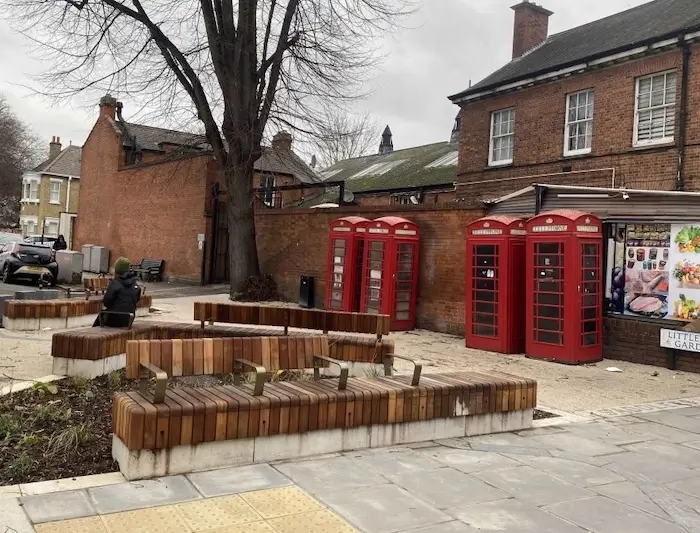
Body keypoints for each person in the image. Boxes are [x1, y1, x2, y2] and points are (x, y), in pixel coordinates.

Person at [93, 257, 142, 328]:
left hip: (114, 319)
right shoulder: (134, 284)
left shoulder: (115, 283)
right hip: (129, 319)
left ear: (117, 270)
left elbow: (106, 303)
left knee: (99, 320)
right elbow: (137, 299)